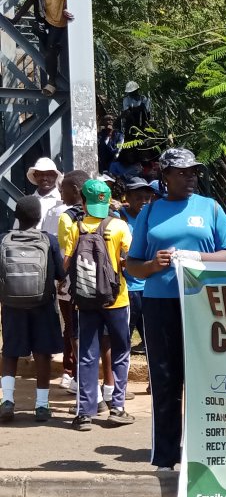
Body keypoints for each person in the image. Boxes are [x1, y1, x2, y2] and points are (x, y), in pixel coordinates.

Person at [127, 148, 226, 471]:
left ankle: (203, 454)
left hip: (203, 302)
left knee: (204, 379)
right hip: (160, 304)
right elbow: (132, 265)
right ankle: (165, 458)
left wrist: (195, 258)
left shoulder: (211, 208)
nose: (190, 177)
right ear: (166, 176)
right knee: (165, 379)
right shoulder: (150, 213)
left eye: (193, 172)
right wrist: (152, 264)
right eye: (182, 172)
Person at [59, 179, 135, 431]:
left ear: (83, 201)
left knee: (87, 354)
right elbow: (129, 261)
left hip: (85, 300)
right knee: (121, 351)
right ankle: (118, 407)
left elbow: (66, 264)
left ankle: (84, 412)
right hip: (116, 299)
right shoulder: (120, 226)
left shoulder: (75, 227)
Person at [0, 196, 65, 422]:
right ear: (39, 217)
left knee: (9, 352)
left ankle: (7, 401)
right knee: (42, 353)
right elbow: (60, 274)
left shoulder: (4, 239)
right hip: (43, 305)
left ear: (16, 216)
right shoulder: (49, 241)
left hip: (11, 305)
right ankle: (41, 405)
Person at [46, 170, 86, 392]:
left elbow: (63, 249)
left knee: (72, 327)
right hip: (98, 282)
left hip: (70, 281)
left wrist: (60, 278)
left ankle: (79, 377)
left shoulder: (65, 215)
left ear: (75, 190)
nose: (61, 193)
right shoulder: (107, 214)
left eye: (64, 189)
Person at [120, 177, 158, 354]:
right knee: (124, 335)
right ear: (127, 197)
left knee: (152, 336)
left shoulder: (153, 217)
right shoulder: (119, 217)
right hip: (129, 287)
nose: (143, 201)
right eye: (138, 197)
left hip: (149, 285)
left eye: (146, 197)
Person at [31, 0, 73, 96]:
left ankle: (52, 81)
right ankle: (54, 51)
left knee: (50, 50)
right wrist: (16, 19)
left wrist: (67, 8)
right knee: (36, 30)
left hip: (59, 21)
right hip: (46, 18)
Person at [19, 157, 62, 231]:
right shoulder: (27, 203)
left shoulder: (62, 200)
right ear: (35, 176)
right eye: (40, 174)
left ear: (55, 176)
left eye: (49, 174)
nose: (44, 178)